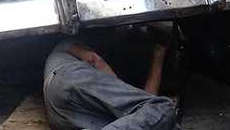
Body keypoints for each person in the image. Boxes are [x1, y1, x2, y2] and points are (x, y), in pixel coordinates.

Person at [44, 26, 180, 130]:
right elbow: (94, 60)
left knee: (159, 119)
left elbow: (147, 108)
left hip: (60, 112)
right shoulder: (69, 43)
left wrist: (159, 53)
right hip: (68, 77)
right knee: (165, 107)